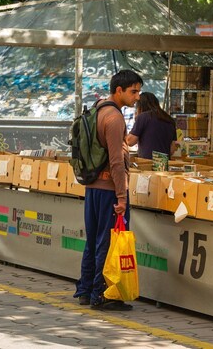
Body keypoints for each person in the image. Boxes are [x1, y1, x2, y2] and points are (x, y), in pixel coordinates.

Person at [75, 69, 142, 311]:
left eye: (138, 91)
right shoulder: (114, 119)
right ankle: (102, 294)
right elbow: (116, 160)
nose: (137, 97)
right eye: (133, 91)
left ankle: (85, 290)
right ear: (119, 91)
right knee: (107, 242)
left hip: (93, 187)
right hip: (109, 190)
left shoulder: (97, 110)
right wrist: (122, 197)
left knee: (93, 240)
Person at [126, 92, 178, 159]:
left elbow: (130, 141)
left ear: (140, 105)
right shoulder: (169, 119)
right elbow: (172, 149)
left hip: (147, 163)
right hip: (164, 164)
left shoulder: (143, 117)